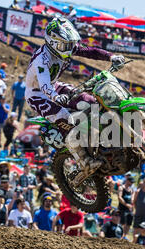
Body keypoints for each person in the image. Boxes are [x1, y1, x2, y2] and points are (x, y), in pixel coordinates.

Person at [24, 17, 125, 185]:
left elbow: (90, 51)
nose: (70, 49)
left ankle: (100, 139)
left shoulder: (63, 48)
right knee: (64, 117)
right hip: (37, 94)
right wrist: (56, 97)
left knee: (90, 101)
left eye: (71, 44)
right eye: (66, 45)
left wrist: (111, 56)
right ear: (53, 42)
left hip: (55, 86)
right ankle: (84, 161)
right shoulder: (41, 60)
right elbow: (44, 84)